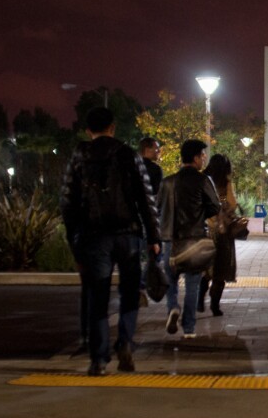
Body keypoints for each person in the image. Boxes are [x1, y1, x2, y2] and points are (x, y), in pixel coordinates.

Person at [60, 107, 160, 376]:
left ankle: (99, 359)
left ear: (88, 130)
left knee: (98, 296)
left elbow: (68, 202)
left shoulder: (80, 155)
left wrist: (74, 242)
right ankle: (125, 342)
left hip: (94, 237)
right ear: (113, 127)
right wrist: (154, 237)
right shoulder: (129, 154)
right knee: (129, 293)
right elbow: (146, 199)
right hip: (128, 235)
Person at [157, 139, 220, 338]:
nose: (204, 159)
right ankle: (190, 329)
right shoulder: (203, 180)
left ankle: (173, 308)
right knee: (193, 284)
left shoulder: (167, 182)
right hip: (194, 240)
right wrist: (201, 212)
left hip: (169, 240)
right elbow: (215, 206)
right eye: (202, 155)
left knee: (170, 280)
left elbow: (158, 208)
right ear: (194, 158)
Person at [199, 153, 239, 316]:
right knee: (221, 269)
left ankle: (199, 300)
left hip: (205, 231)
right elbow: (233, 204)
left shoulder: (202, 181)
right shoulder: (225, 183)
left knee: (206, 269)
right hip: (223, 232)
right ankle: (215, 306)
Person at [137, 137, 163, 308]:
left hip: (132, 217)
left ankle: (136, 285)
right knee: (156, 251)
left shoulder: (131, 166)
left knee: (135, 251)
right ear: (147, 148)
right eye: (156, 148)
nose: (158, 152)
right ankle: (141, 284)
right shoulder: (155, 170)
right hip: (150, 216)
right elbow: (157, 198)